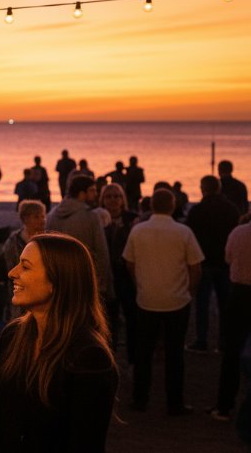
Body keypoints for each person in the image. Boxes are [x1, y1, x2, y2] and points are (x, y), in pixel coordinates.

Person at [0, 233, 118, 452]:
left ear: (57, 282)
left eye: (25, 267)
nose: (12, 273)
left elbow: (85, 442)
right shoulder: (13, 335)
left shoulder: (89, 357)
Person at [124, 189, 204, 415]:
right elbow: (196, 267)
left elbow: (129, 262)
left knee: (143, 353)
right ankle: (174, 403)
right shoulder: (183, 232)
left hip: (146, 298)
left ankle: (140, 399)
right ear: (172, 205)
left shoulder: (138, 231)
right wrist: (190, 290)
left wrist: (139, 283)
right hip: (177, 300)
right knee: (175, 354)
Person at [185, 175, 240, 353]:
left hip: (204, 262)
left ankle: (202, 340)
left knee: (202, 304)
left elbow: (189, 237)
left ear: (203, 189)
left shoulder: (197, 211)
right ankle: (223, 342)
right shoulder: (232, 210)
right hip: (224, 263)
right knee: (225, 305)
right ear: (219, 188)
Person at [45, 176, 113, 305]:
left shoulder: (52, 215)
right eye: (92, 190)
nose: (96, 194)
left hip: (58, 281)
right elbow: (101, 252)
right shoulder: (91, 216)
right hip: (84, 281)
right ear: (82, 193)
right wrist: (103, 285)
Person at [214, 214, 251, 421]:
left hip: (239, 294)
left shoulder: (238, 232)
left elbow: (227, 258)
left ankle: (224, 405)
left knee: (232, 351)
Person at [99, 183, 140, 365]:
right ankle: (109, 358)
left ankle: (133, 358)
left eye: (117, 196)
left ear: (123, 199)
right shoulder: (97, 218)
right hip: (107, 274)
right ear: (103, 200)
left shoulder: (132, 219)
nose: (113, 200)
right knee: (108, 319)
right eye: (109, 196)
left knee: (132, 316)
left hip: (127, 272)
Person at [0, 200, 46, 320]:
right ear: (25, 219)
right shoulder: (13, 242)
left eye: (43, 216)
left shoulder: (47, 240)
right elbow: (11, 269)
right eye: (36, 217)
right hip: (19, 294)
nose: (42, 220)